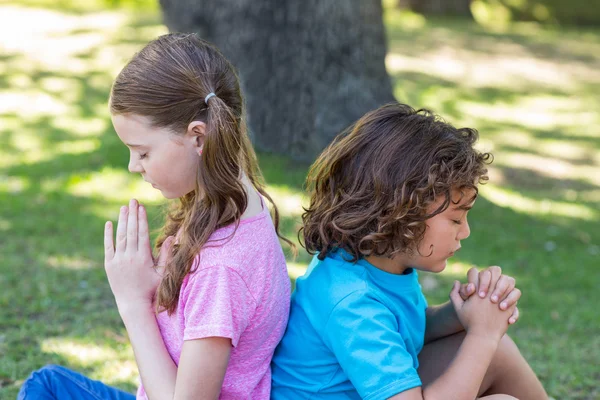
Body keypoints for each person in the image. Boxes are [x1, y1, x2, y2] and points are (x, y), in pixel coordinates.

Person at [18, 33, 293, 400]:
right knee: (46, 384)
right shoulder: (237, 202)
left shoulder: (220, 270)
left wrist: (133, 303)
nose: (133, 166)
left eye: (142, 152)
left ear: (199, 138)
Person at [271, 103, 547, 400]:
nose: (465, 232)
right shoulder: (352, 302)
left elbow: (401, 331)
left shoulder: (378, 262)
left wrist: (460, 314)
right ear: (401, 213)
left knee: (499, 352)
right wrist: (483, 335)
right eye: (455, 219)